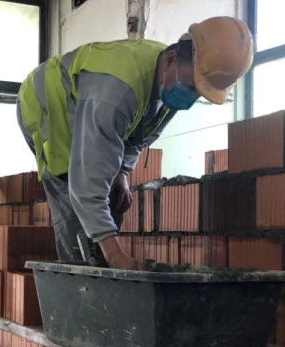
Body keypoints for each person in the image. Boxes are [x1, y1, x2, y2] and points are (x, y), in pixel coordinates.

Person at [16, 16, 253, 270]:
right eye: (191, 85)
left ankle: (98, 266)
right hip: (49, 103)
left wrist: (122, 172)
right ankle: (77, 282)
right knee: (72, 195)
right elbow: (85, 185)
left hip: (91, 103)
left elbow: (141, 136)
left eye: (200, 92)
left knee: (109, 194)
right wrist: (117, 257)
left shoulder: (167, 80)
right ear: (171, 59)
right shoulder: (116, 92)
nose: (191, 96)